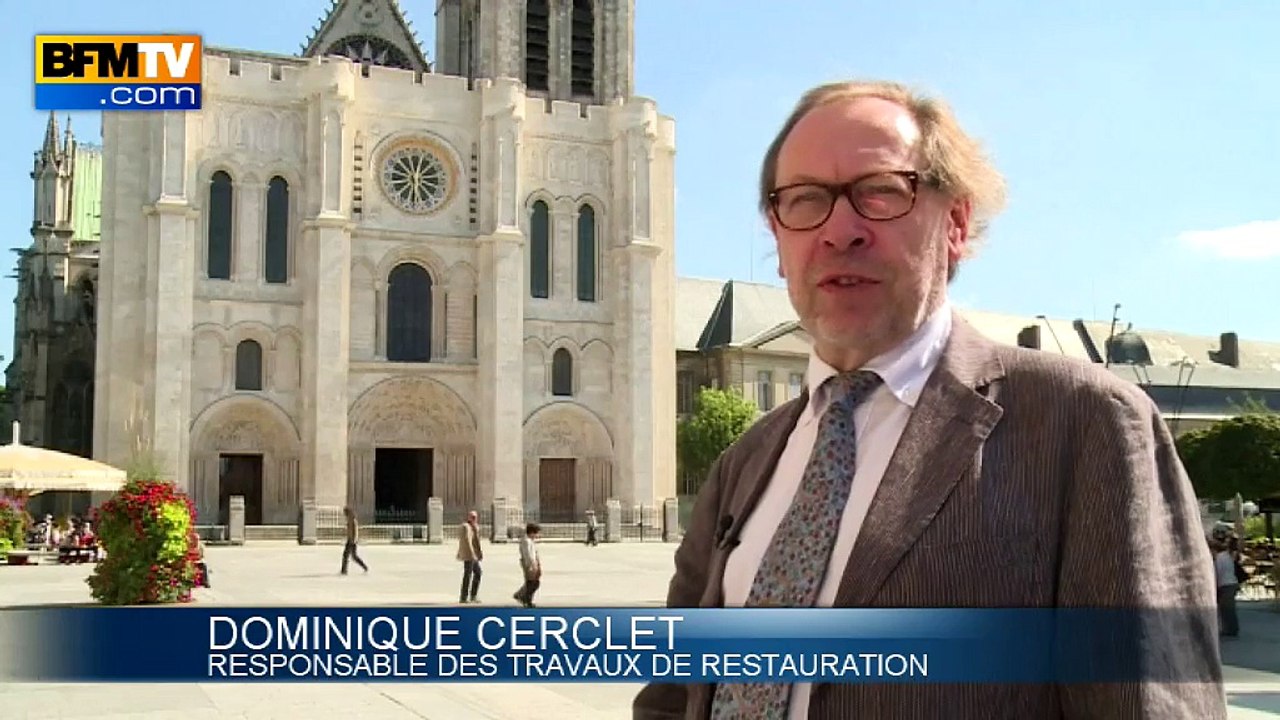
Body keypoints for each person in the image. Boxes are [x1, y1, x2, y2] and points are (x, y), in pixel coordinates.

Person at [633, 80, 1225, 719]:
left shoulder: (1085, 425)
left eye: (881, 192)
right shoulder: (744, 462)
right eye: (804, 201)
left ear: (957, 223)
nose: (839, 231)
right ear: (777, 238)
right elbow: (675, 691)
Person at [1214, 537, 1240, 638]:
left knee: (1226, 608)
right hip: (1232, 582)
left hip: (1225, 584)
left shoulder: (1220, 557)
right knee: (1229, 607)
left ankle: (1230, 629)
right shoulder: (1229, 556)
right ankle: (1231, 628)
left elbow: (1218, 571)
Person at [457, 510, 483, 603]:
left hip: (474, 555)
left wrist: (479, 553)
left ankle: (473, 595)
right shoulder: (466, 527)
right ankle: (464, 597)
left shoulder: (475, 527)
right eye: (472, 517)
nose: (474, 519)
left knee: (478, 573)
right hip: (469, 555)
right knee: (468, 575)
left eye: (475, 517)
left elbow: (477, 542)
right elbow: (467, 541)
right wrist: (472, 554)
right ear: (468, 517)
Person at [514, 522, 542, 608]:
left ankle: (523, 597)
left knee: (532, 582)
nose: (536, 535)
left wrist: (538, 563)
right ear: (532, 532)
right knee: (533, 583)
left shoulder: (530, 540)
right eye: (536, 533)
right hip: (529, 564)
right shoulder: (526, 541)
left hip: (533, 564)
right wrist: (532, 565)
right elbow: (528, 555)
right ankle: (525, 598)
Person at [340, 506, 367, 575]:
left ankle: (364, 567)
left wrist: (354, 539)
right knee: (349, 556)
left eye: (345, 512)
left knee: (351, 556)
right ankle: (344, 570)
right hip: (349, 540)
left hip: (352, 541)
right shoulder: (349, 520)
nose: (344, 514)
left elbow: (355, 531)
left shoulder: (353, 520)